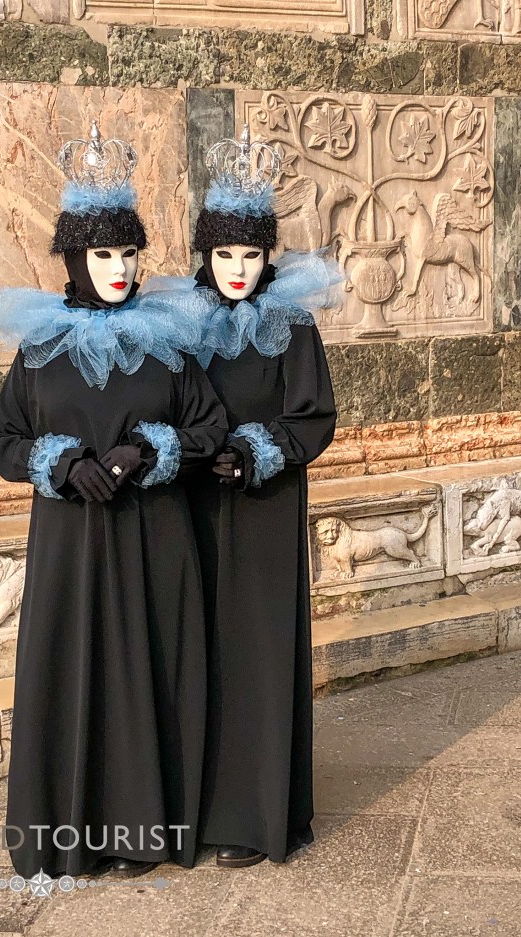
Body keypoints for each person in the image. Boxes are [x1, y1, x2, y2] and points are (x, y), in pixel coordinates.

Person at [0, 121, 228, 881]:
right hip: (71, 550)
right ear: (75, 259)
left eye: (128, 253)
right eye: (102, 254)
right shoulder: (39, 349)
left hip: (155, 541)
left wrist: (148, 451)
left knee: (145, 674)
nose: (119, 268)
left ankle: (143, 833)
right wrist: (58, 464)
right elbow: (4, 440)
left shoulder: (168, 340)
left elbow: (210, 423)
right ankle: (75, 834)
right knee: (76, 674)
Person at [147, 125, 342, 868]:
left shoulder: (292, 324)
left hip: (263, 509)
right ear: (205, 253)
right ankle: (189, 810)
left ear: (269, 255)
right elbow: (160, 401)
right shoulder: (177, 319)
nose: (236, 269)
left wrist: (258, 453)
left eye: (250, 254)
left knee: (257, 655)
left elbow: (312, 415)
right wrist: (183, 451)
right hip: (191, 508)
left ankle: (257, 814)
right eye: (223, 254)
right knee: (195, 652)